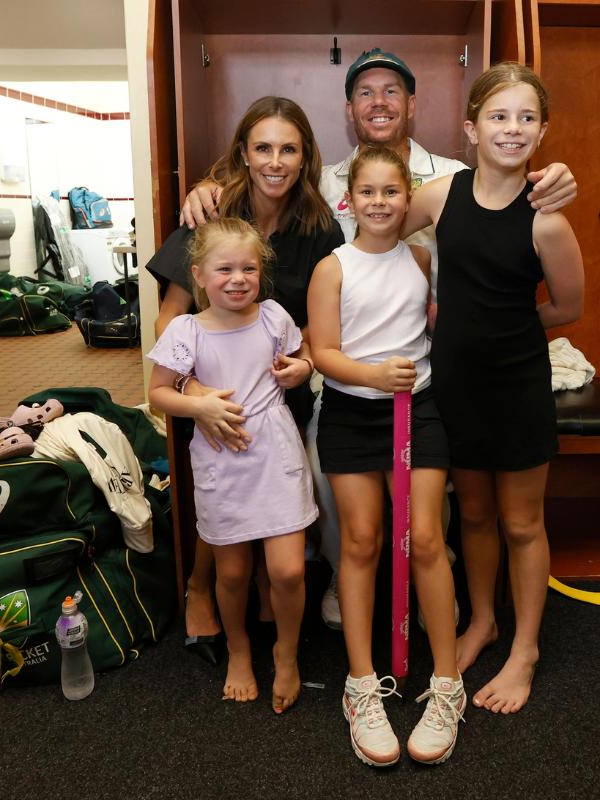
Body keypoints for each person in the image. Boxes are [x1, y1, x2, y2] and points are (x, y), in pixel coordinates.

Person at [180, 49, 578, 631]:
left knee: (447, 498)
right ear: (350, 109)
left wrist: (554, 176)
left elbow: (509, 197)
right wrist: (207, 185)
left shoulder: (446, 176)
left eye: (392, 90)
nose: (380, 102)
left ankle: (429, 584)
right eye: (366, 92)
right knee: (326, 469)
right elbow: (268, 174)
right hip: (338, 360)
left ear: (413, 104)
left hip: (427, 362)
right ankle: (350, 576)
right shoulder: (322, 182)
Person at [402, 63, 584, 714]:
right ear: (471, 127)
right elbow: (383, 240)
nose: (513, 129)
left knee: (520, 521)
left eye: (527, 117)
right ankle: (483, 620)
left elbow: (567, 306)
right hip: (454, 379)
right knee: (472, 513)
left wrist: (503, 328)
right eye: (500, 116)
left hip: (517, 385)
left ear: (542, 131)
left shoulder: (547, 220)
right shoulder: (439, 195)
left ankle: (526, 649)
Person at [145, 97, 343, 664]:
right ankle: (202, 588)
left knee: (272, 492)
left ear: (306, 159)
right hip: (211, 390)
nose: (276, 161)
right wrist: (190, 388)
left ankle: (265, 595)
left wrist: (296, 358)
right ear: (243, 153)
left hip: (280, 394)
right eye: (263, 148)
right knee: (223, 494)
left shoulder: (318, 226)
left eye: (289, 149)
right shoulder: (209, 215)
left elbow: (321, 321)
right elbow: (171, 315)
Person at [308, 147, 463, 766]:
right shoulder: (332, 267)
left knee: (425, 538)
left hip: (417, 409)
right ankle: (360, 686)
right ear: (349, 200)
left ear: (409, 199)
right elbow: (322, 352)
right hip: (353, 412)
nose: (378, 202)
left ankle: (447, 684)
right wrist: (373, 376)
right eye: (366, 192)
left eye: (391, 192)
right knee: (362, 540)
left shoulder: (423, 258)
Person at [147, 217, 317, 712]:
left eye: (248, 268)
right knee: (234, 571)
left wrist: (301, 369)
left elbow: (302, 357)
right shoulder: (186, 330)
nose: (238, 279)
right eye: (224, 269)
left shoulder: (273, 317)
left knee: (287, 571)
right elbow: (157, 393)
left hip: (276, 456)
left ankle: (286, 654)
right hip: (222, 462)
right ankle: (240, 650)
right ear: (198, 275)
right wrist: (198, 405)